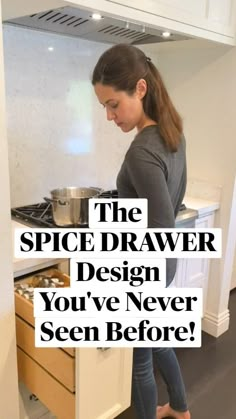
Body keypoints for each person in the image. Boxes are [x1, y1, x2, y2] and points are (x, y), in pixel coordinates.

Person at [92, 44, 191, 419]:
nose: (108, 115)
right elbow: (170, 203)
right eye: (104, 106)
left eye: (113, 104)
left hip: (145, 270)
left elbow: (160, 226)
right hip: (165, 265)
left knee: (140, 362)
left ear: (140, 90)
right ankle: (179, 409)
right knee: (159, 339)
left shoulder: (141, 151)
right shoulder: (174, 134)